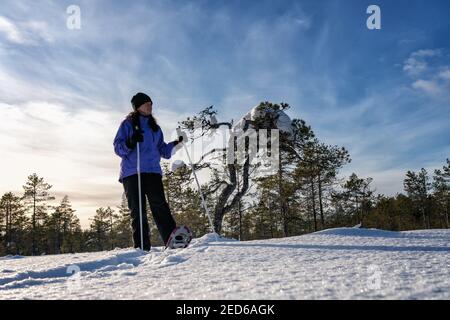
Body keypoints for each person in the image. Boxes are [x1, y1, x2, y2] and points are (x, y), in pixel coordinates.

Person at [113, 92, 183, 251]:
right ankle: (142, 247)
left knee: (160, 206)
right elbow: (118, 147)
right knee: (137, 210)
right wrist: (130, 142)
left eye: (151, 103)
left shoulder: (155, 128)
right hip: (132, 172)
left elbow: (163, 151)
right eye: (147, 103)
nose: (150, 105)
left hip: (152, 172)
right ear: (138, 107)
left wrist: (176, 144)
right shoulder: (128, 124)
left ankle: (173, 241)